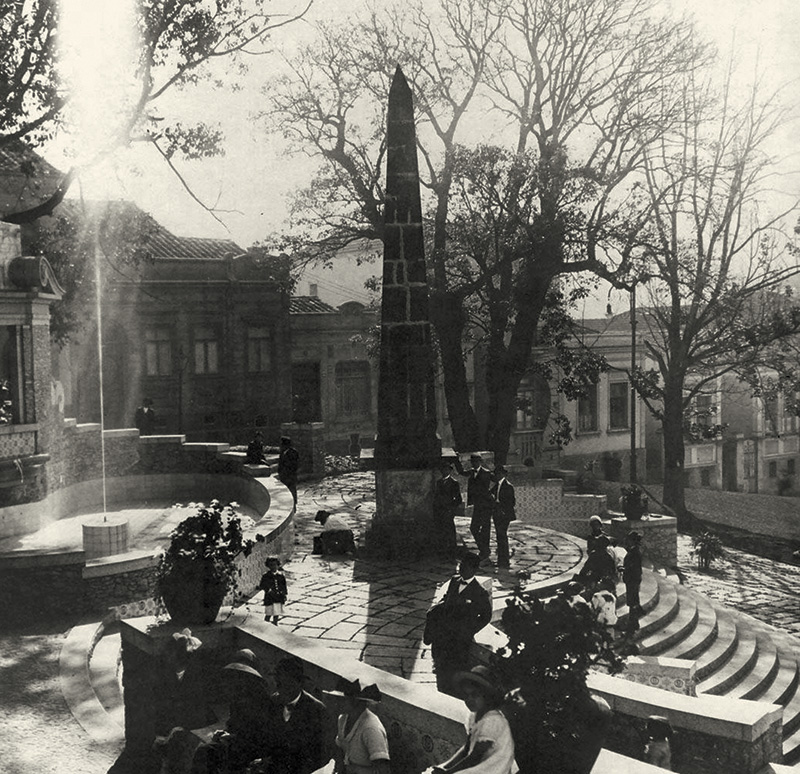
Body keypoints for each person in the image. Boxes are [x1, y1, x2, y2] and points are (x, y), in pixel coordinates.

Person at [190, 649, 272, 774]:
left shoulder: (260, 699)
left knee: (205, 752)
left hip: (254, 748)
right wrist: (225, 733)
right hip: (238, 743)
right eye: (236, 674)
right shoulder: (238, 695)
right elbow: (234, 724)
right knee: (205, 752)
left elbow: (260, 735)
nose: (237, 679)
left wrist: (230, 738)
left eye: (241, 675)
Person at [423, 665, 517, 774]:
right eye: (466, 696)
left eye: (474, 695)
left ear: (487, 696)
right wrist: (445, 767)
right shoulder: (474, 716)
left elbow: (475, 758)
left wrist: (448, 772)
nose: (469, 700)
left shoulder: (493, 721)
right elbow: (466, 749)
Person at [424, 552, 492, 697]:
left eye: (465, 566)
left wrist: (469, 630)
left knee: (455, 669)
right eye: (460, 565)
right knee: (440, 668)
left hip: (459, 639)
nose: (461, 569)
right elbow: (446, 598)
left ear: (473, 570)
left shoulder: (480, 592)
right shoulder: (454, 581)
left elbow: (486, 616)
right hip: (444, 635)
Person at [251, 656, 332, 774]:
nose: (282, 691)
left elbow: (323, 754)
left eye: (287, 686)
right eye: (278, 685)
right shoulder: (272, 703)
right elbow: (264, 739)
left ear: (299, 683)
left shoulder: (317, 710)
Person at [325, 678, 390, 774]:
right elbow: (339, 750)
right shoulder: (343, 719)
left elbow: (383, 770)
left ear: (356, 702)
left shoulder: (370, 728)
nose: (337, 703)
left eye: (343, 700)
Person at [457, 454, 494, 564]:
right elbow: (461, 472)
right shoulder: (471, 472)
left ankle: (485, 552)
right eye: (473, 462)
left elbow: (497, 482)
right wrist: (456, 460)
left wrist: (490, 495)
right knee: (474, 528)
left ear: (480, 462)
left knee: (485, 529)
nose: (474, 463)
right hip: (478, 505)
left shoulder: (486, 473)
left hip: (486, 506)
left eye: (476, 461)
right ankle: (484, 549)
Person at [433, 461, 462, 557]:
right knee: (441, 532)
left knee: (450, 532)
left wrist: (452, 509)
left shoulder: (454, 483)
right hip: (440, 511)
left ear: (450, 471)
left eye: (447, 469)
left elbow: (458, 499)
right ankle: (442, 552)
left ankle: (452, 553)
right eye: (443, 469)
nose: (444, 471)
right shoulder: (439, 483)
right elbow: (436, 497)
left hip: (448, 511)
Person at [489, 466, 516, 569]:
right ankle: (501, 560)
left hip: (504, 515)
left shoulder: (508, 486)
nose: (498, 475)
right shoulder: (497, 485)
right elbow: (490, 494)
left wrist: (501, 508)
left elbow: (512, 502)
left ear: (503, 474)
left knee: (502, 536)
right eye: (496, 474)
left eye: (499, 473)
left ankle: (504, 561)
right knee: (500, 537)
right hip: (497, 514)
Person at [623, 530, 644, 633]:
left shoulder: (634, 553)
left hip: (633, 580)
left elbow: (633, 567)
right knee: (633, 600)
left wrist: (624, 569)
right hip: (633, 579)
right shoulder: (634, 551)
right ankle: (633, 622)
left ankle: (633, 623)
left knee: (632, 601)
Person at [259, 556, 288, 625]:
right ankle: (265, 625)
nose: (273, 567)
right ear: (268, 566)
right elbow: (262, 585)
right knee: (269, 613)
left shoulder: (281, 575)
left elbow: (284, 586)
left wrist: (284, 594)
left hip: (278, 597)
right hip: (270, 598)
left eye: (275, 565)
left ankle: (275, 623)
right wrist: (268, 590)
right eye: (271, 565)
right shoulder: (266, 576)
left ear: (278, 565)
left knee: (276, 613)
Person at [278, 436, 300, 506]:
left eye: (282, 444)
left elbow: (294, 465)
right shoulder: (282, 452)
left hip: (290, 476)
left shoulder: (293, 452)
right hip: (284, 476)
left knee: (292, 491)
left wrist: (288, 473)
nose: (281, 446)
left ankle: (293, 505)